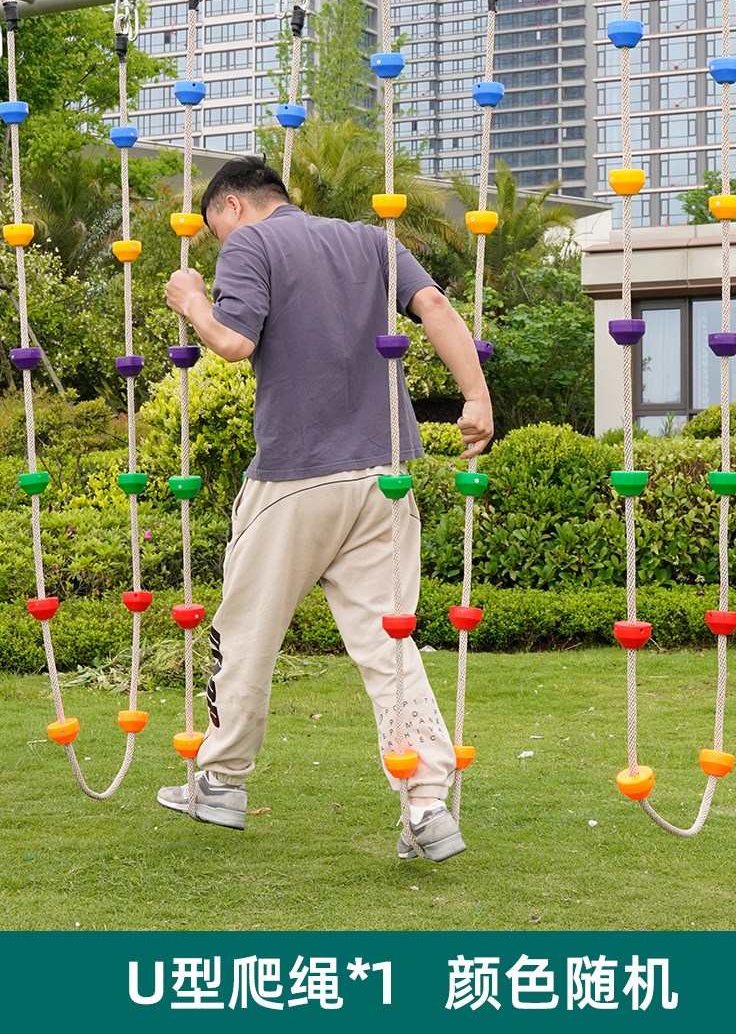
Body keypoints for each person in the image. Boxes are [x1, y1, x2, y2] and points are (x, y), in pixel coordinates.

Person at [156, 156, 493, 861]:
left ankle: (221, 781)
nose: (219, 251)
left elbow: (234, 341)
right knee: (390, 645)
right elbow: (434, 306)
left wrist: (191, 299)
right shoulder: (373, 242)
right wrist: (477, 397)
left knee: (244, 631)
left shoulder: (250, 241)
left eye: (214, 233)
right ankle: (428, 804)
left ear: (231, 208)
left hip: (296, 477)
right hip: (385, 478)